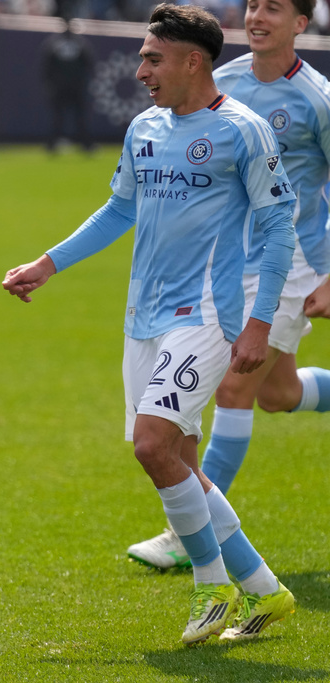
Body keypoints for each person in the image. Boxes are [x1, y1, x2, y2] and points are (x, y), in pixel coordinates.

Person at [3, 4, 297, 644]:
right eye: (140, 57)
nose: (140, 70)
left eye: (152, 58)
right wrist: (48, 263)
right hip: (145, 315)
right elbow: (118, 210)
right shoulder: (144, 128)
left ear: (194, 61)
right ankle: (267, 594)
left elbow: (278, 229)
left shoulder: (243, 131)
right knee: (182, 461)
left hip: (211, 314)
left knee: (151, 444)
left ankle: (211, 586)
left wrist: (259, 323)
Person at [127, 0, 330, 574]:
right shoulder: (225, 80)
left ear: (301, 23)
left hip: (293, 260)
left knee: (236, 391)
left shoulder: (318, 98)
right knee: (278, 394)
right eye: (251, 4)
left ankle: (186, 533)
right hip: (229, 260)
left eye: (274, 7)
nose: (257, 15)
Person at [40, 17, 95, 152]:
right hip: (69, 87)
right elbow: (89, 64)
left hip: (66, 87)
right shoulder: (78, 43)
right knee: (68, 117)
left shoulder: (55, 43)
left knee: (66, 117)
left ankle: (56, 145)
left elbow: (46, 67)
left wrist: (49, 82)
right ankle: (83, 145)